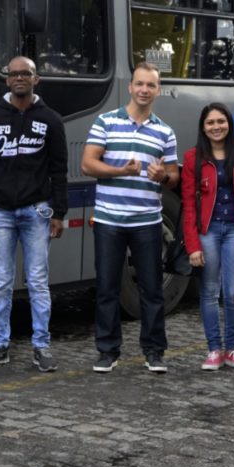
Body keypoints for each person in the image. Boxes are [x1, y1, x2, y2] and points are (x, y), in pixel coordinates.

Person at [81, 62, 178, 374]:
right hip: (109, 219)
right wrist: (121, 171)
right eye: (140, 84)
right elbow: (87, 165)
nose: (144, 90)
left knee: (152, 290)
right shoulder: (105, 122)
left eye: (151, 85)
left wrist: (163, 176)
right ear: (130, 87)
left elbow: (174, 177)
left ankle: (154, 351)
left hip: (148, 221)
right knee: (107, 288)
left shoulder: (165, 131)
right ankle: (108, 351)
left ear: (158, 90)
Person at [0, 57, 68, 373]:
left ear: (36, 79)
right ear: (6, 80)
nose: (18, 78)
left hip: (38, 208)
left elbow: (59, 170)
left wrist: (58, 213)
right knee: (1, 280)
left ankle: (41, 347)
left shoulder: (51, 120)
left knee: (38, 280)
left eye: (25, 73)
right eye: (13, 74)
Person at [181, 102, 234, 371]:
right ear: (203, 127)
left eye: (221, 121)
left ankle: (232, 349)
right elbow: (188, 203)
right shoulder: (193, 158)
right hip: (207, 232)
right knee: (210, 291)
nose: (216, 127)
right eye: (210, 123)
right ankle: (214, 350)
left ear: (229, 123)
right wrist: (192, 245)